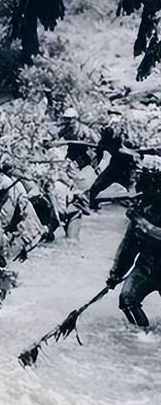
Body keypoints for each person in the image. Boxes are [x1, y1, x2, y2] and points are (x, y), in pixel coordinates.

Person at [106, 164, 161, 328]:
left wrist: (141, 222)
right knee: (127, 299)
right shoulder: (142, 210)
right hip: (146, 266)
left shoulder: (139, 216)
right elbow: (128, 246)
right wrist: (116, 273)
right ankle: (142, 336)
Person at [0, 157, 45, 260]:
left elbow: (9, 210)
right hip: (13, 223)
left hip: (24, 224)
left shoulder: (5, 182)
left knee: (11, 258)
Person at [88, 116, 140, 209]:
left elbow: (136, 151)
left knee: (133, 189)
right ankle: (92, 204)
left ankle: (136, 205)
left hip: (127, 167)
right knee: (95, 187)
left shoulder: (124, 138)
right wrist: (96, 165)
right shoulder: (104, 141)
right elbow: (99, 153)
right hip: (114, 167)